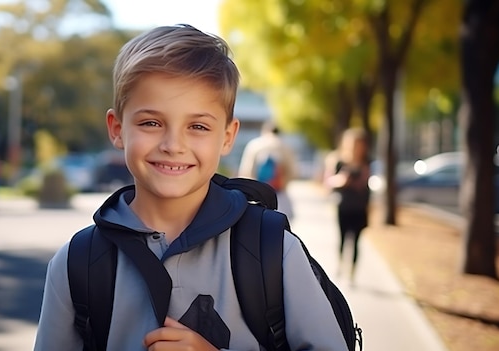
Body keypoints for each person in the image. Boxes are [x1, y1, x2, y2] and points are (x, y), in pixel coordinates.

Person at [34, 24, 347, 351]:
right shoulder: (76, 263)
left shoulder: (272, 250)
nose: (173, 145)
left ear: (227, 137)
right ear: (117, 129)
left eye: (197, 126)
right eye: (151, 123)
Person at [323, 128, 371, 284]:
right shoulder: (339, 161)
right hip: (343, 206)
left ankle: (352, 273)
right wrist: (342, 180)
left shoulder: (367, 162)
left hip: (359, 207)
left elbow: (368, 184)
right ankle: (340, 266)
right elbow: (328, 182)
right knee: (342, 239)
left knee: (356, 242)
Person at [238, 120, 298, 219]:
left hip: (257, 191)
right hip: (278, 192)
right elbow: (293, 172)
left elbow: (246, 170)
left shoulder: (254, 145)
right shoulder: (285, 146)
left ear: (264, 131)